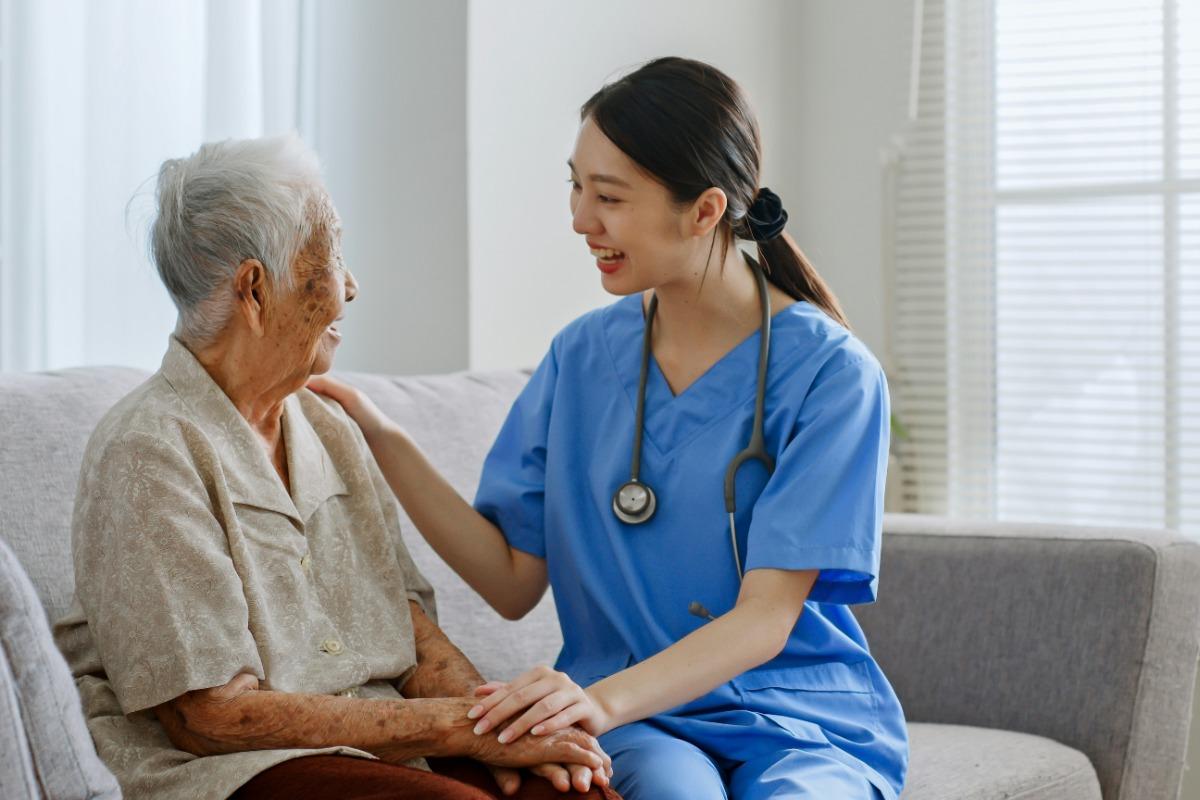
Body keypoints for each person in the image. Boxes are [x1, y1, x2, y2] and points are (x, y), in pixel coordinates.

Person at [311, 57, 908, 799]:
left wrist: (598, 700)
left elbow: (765, 619)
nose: (580, 219)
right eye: (576, 186)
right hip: (641, 723)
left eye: (610, 197)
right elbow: (510, 581)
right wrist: (382, 439)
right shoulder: (583, 356)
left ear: (706, 210)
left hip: (800, 721)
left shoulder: (832, 375)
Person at [52, 135, 616, 800]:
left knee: (573, 793)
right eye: (332, 253)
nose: (352, 285)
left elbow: (406, 623)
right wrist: (456, 728)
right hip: (239, 767)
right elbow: (210, 718)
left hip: (383, 747)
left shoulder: (326, 426)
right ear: (255, 289)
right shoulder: (148, 451)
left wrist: (504, 725)